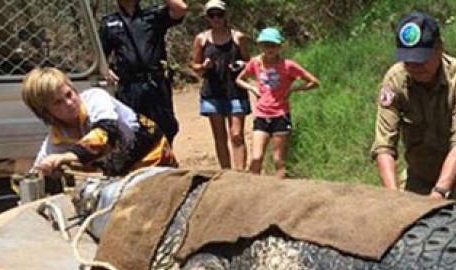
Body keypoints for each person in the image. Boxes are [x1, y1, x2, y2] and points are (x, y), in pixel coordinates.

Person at [370, 12, 456, 211]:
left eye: (421, 60)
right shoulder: (395, 81)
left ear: (439, 48)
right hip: (420, 175)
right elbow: (384, 145)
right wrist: (392, 197)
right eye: (408, 61)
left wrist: (440, 192)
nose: (415, 67)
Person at [21, 67, 177, 176]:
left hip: (153, 157)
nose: (69, 103)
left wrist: (66, 157)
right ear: (45, 112)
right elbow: (37, 173)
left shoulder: (96, 98)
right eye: (58, 102)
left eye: (69, 94)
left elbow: (107, 133)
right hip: (121, 177)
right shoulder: (54, 143)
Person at [236, 27, 319, 178]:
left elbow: (313, 82)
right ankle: (251, 190)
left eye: (273, 45)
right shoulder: (255, 63)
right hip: (261, 115)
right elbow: (240, 79)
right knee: (256, 158)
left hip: (281, 115)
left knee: (278, 159)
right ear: (260, 46)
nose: (269, 49)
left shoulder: (288, 65)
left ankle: (280, 191)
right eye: (265, 45)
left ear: (279, 47)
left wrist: (293, 89)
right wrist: (253, 88)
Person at [99, 0, 187, 144]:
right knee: (133, 128)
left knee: (164, 127)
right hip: (129, 87)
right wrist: (105, 70)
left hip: (155, 84)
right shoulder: (109, 23)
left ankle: (165, 160)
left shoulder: (153, 15)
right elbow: (100, 55)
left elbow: (180, 8)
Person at [190, 0, 251, 170]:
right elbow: (195, 66)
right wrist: (203, 66)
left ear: (225, 16)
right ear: (207, 17)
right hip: (212, 93)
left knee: (237, 134)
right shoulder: (201, 39)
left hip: (236, 91)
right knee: (220, 136)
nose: (216, 18)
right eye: (212, 15)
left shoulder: (238, 37)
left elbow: (250, 62)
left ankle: (240, 173)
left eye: (219, 14)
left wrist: (241, 65)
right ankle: (226, 173)